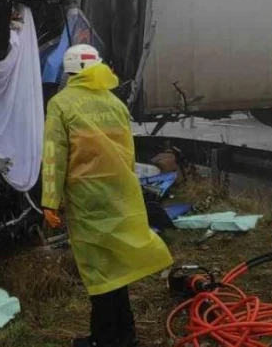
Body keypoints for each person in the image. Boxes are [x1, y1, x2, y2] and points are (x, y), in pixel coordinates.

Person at [41, 45, 174, 347]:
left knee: (98, 268)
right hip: (121, 192)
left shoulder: (61, 104)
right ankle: (125, 334)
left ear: (69, 71)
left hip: (87, 196)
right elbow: (128, 153)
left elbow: (53, 157)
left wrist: (50, 200)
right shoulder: (115, 103)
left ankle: (104, 338)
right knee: (117, 264)